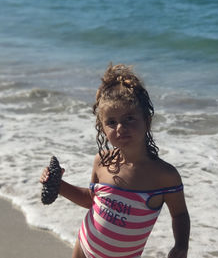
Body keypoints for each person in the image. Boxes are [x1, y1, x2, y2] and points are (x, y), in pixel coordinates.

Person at [40, 63, 190, 258]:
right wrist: (57, 185)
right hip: (84, 246)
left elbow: (179, 214)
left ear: (147, 120)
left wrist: (181, 245)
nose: (120, 127)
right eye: (111, 122)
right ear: (102, 128)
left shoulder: (164, 176)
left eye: (129, 118)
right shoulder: (101, 162)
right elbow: (92, 200)